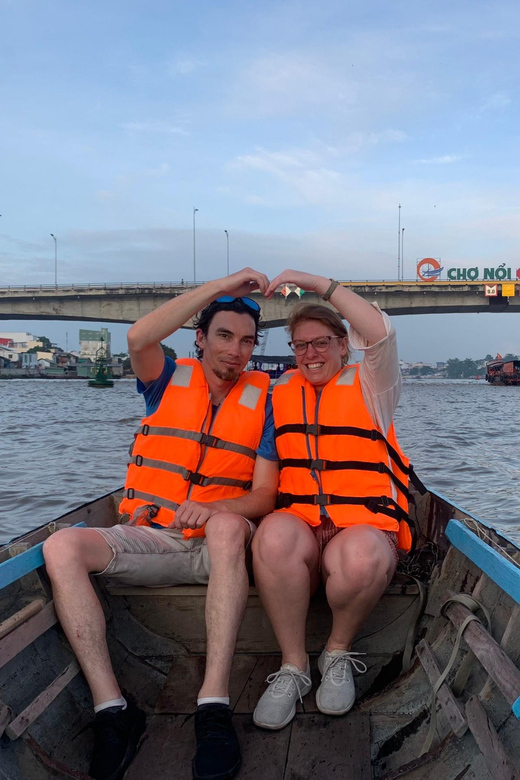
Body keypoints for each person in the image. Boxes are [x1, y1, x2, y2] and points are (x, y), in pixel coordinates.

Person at [43, 268, 279, 780]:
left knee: (225, 529)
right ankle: (114, 710)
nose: (235, 351)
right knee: (61, 547)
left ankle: (213, 707)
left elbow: (264, 495)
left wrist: (219, 509)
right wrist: (220, 289)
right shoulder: (165, 379)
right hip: (155, 538)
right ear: (199, 338)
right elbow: (137, 336)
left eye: (245, 341)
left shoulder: (266, 402)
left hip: (222, 548)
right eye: (223, 335)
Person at [252, 269, 413, 730]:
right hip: (304, 531)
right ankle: (293, 667)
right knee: (271, 536)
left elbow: (382, 333)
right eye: (301, 345)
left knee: (362, 558)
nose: (311, 353)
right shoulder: (280, 392)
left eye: (321, 342)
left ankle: (337, 652)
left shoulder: (372, 386)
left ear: (344, 344)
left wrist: (314, 282)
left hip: (362, 530)